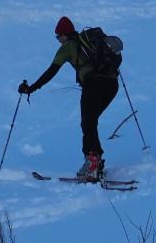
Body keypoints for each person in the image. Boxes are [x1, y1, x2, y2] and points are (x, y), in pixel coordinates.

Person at [18, 16, 119, 180]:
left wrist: (31, 89)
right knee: (90, 122)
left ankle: (92, 163)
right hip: (112, 85)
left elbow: (51, 71)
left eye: (58, 37)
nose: (58, 40)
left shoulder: (68, 47)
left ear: (64, 35)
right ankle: (96, 162)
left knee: (88, 123)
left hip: (93, 84)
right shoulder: (88, 42)